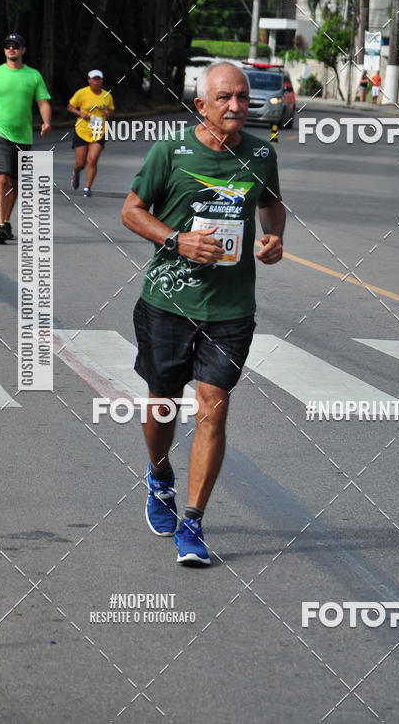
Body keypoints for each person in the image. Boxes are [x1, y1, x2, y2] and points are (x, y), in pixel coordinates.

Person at [121, 61, 285, 566]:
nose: (236, 105)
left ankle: (192, 522)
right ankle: (159, 474)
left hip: (231, 308)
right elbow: (130, 210)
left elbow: (272, 205)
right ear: (201, 105)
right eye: (224, 98)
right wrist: (177, 239)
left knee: (213, 406)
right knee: (163, 404)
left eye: (241, 97)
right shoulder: (169, 152)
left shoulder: (261, 154)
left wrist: (276, 237)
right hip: (168, 303)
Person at [0, 34, 51, 244]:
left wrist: (46, 121)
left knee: (15, 184)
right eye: (8, 46)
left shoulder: (33, 76)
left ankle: (7, 221)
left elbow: (43, 102)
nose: (11, 49)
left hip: (23, 137)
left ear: (23, 50)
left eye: (16, 46)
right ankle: (0, 225)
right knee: (2, 178)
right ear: (4, 50)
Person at [67, 70, 114, 196]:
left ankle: (88, 187)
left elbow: (111, 109)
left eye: (99, 79)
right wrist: (80, 113)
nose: (97, 81)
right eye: (94, 78)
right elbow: (70, 106)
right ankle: (76, 173)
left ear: (102, 81)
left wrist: (108, 113)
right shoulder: (82, 93)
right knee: (80, 163)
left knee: (92, 160)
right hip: (82, 130)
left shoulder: (107, 96)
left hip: (98, 130)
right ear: (89, 80)